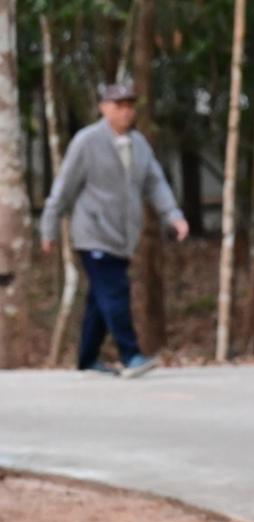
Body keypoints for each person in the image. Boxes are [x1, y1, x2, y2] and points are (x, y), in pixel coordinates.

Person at [39, 82, 189, 377]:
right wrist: (49, 228)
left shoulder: (139, 144)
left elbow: (155, 182)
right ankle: (131, 355)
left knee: (100, 298)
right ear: (104, 108)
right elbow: (64, 188)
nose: (126, 112)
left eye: (130, 106)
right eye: (119, 106)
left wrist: (173, 215)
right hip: (93, 232)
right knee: (115, 291)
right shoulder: (86, 141)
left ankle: (87, 359)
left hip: (123, 236)